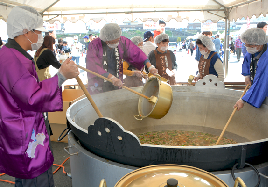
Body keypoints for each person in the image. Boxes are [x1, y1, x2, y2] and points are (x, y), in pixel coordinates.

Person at [0, 6, 79, 187]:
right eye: (38, 31)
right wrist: (60, 77)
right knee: (36, 178)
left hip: (19, 128)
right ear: (26, 31)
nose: (40, 36)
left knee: (25, 176)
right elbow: (32, 97)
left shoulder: (10, 54)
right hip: (25, 132)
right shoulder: (13, 59)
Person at [86, 23, 158, 94]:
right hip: (99, 84)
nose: (117, 43)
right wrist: (111, 77)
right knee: (100, 102)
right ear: (106, 40)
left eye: (118, 40)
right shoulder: (94, 45)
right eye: (113, 42)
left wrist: (150, 66)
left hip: (117, 81)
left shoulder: (122, 41)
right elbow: (93, 66)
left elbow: (136, 53)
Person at [233, 28, 268, 110]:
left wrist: (243, 100)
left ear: (259, 44)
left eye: (249, 46)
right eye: (245, 45)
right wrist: (247, 76)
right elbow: (247, 61)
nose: (247, 48)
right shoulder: (254, 50)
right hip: (257, 84)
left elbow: (262, 82)